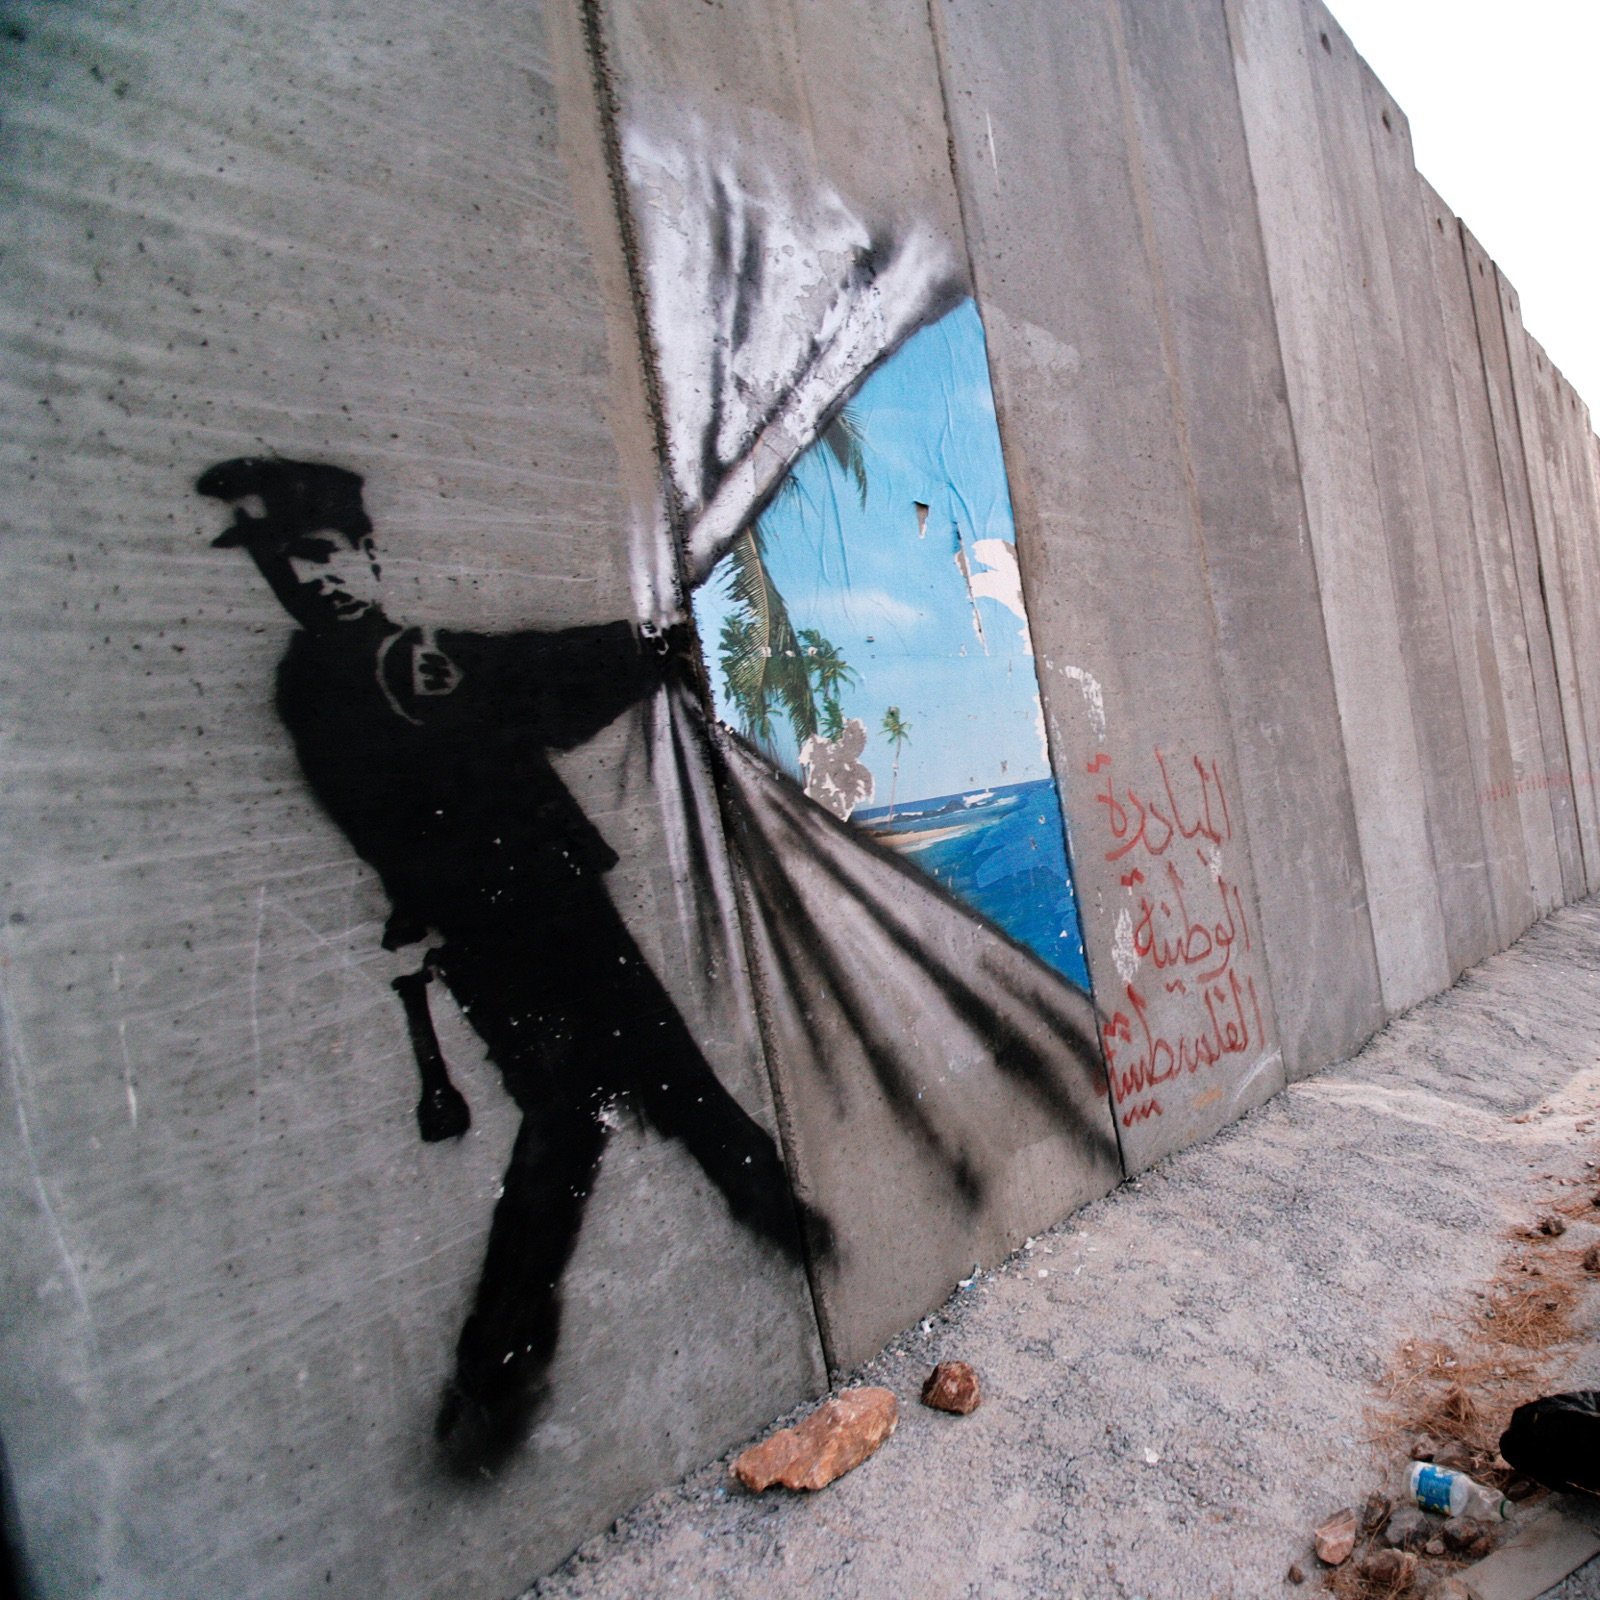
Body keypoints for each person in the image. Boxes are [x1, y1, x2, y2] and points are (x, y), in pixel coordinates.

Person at [196, 456, 817, 1473]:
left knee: (587, 1114)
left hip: (492, 938)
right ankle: (776, 1238)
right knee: (642, 1093)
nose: (308, 577)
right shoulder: (380, 667)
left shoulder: (320, 677)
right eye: (288, 563)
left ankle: (502, 1368)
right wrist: (644, 648)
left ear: (365, 553)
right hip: (543, 923)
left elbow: (501, 685)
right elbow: (520, 682)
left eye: (320, 553)